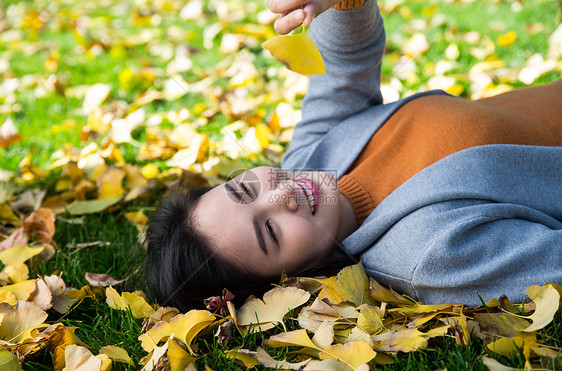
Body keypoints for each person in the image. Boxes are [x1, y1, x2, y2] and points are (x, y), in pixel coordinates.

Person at [145, 0, 562, 312]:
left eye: (245, 188)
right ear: (288, 283)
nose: (281, 195)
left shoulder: (310, 155)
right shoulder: (430, 256)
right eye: (270, 232)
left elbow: (343, 64)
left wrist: (341, 3)